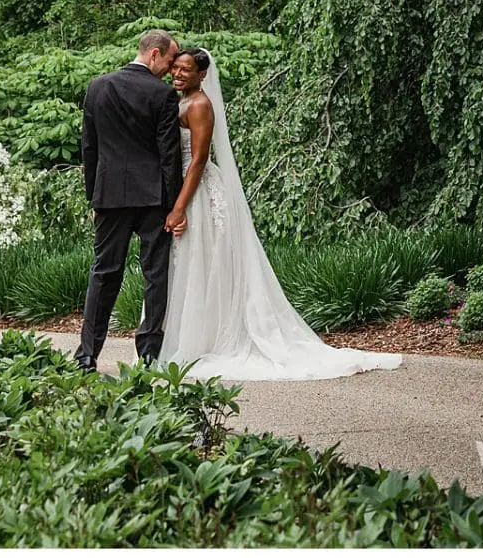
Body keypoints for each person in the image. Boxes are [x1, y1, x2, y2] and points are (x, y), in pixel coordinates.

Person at [158, 45, 402, 381]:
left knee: (204, 261)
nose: (178, 73)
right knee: (194, 263)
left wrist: (179, 206)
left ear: (202, 74)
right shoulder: (180, 99)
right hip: (184, 185)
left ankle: (202, 341)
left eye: (186, 69)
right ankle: (195, 336)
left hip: (196, 190)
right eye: (176, 68)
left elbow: (198, 160)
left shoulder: (199, 104)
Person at [75, 28, 183, 370]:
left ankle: (87, 354)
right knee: (155, 274)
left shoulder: (97, 87)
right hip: (153, 199)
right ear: (154, 54)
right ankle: (148, 354)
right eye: (168, 60)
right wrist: (174, 205)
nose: (170, 68)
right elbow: (170, 156)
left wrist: (94, 197)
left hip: (109, 196)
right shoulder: (163, 95)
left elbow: (88, 149)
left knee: (104, 273)